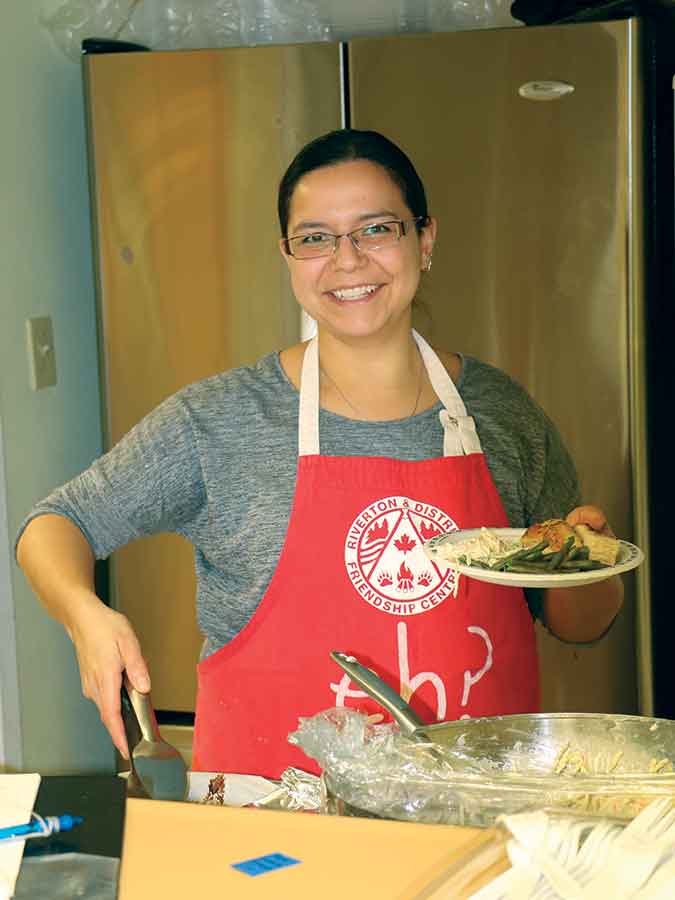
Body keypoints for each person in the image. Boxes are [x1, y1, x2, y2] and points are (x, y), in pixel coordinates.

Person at [15, 128, 623, 779]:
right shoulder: (218, 419)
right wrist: (84, 614)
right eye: (314, 238)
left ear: (424, 239)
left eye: (375, 229)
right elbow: (58, 523)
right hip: (277, 830)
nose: (347, 259)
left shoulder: (501, 412)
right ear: (288, 257)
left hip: (473, 811)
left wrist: (592, 560)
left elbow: (579, 624)